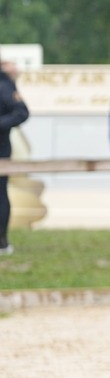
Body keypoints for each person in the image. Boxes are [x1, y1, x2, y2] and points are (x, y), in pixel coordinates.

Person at [0, 54, 31, 256]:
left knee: (0, 195)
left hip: (1, 150)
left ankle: (1, 241)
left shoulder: (4, 85)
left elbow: (22, 112)